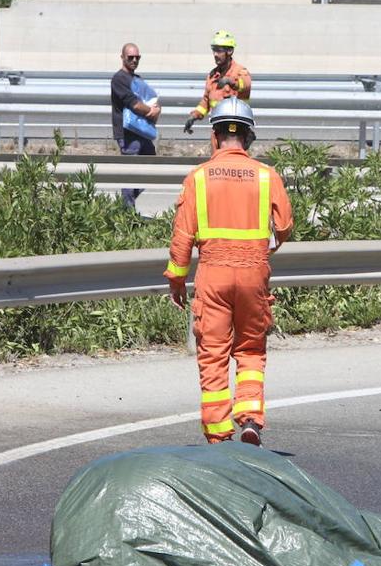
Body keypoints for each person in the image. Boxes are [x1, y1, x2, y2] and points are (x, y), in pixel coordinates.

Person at [164, 98, 293, 447]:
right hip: (253, 274)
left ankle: (219, 436)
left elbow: (182, 236)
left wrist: (177, 278)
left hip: (214, 275)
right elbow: (284, 226)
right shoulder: (268, 176)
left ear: (215, 136)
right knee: (250, 349)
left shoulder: (198, 178)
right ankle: (250, 419)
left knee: (214, 352)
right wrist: (263, 249)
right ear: (249, 138)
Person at [110, 42, 161, 209]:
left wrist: (157, 109)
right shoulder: (119, 79)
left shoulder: (137, 79)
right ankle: (127, 213)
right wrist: (151, 112)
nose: (134, 60)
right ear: (122, 57)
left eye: (137, 57)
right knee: (130, 173)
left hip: (142, 132)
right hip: (127, 133)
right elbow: (134, 104)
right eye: (130, 57)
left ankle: (125, 205)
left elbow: (152, 99)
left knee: (152, 170)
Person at [184, 30, 252, 133]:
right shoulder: (212, 76)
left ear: (229, 51)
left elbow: (246, 85)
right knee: (215, 146)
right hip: (218, 126)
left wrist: (231, 81)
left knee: (236, 146)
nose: (215, 54)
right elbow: (206, 101)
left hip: (238, 126)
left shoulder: (240, 71)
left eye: (219, 51)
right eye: (214, 50)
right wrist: (194, 115)